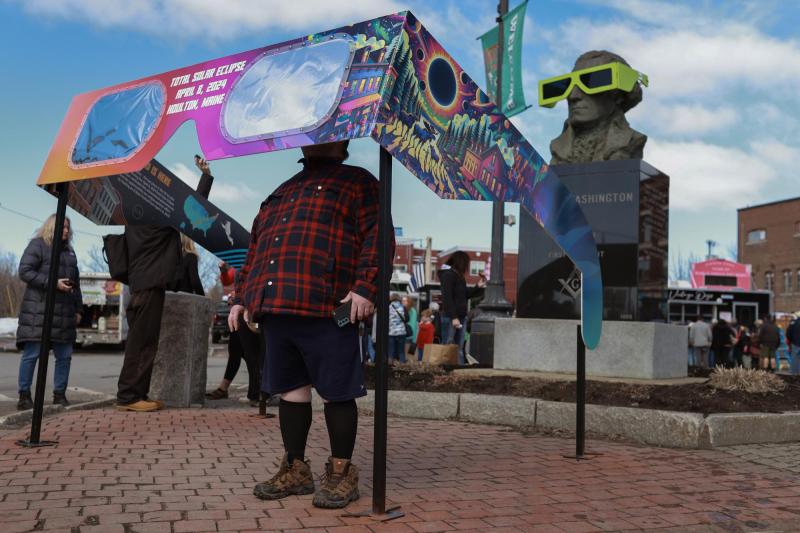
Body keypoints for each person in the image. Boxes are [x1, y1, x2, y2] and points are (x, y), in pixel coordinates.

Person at [229, 140, 386, 509]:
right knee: (291, 391)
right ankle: (295, 469)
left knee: (336, 391)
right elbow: (256, 250)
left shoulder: (359, 182)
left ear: (343, 140)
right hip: (276, 305)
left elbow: (379, 237)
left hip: (329, 304)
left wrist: (366, 287)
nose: (317, 139)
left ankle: (341, 472)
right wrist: (240, 297)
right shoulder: (281, 191)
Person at [117, 155, 213, 412]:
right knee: (143, 343)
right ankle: (128, 396)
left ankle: (138, 393)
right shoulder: (157, 217)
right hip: (150, 285)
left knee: (142, 341)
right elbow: (193, 209)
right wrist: (206, 177)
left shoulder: (134, 215)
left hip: (140, 284)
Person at [16, 215, 82, 410]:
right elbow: (24, 271)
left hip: (64, 312)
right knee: (32, 355)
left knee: (65, 356)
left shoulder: (70, 252)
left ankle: (59, 395)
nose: (67, 231)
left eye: (68, 228)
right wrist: (53, 283)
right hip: (39, 311)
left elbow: (76, 284)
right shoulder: (37, 245)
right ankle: (24, 396)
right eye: (63, 227)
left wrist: (79, 309)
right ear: (52, 227)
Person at [206, 262, 263, 405]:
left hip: (248, 310)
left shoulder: (254, 260)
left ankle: (257, 394)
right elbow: (227, 280)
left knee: (252, 354)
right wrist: (223, 270)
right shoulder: (239, 263)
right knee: (235, 350)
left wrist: (241, 300)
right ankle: (224, 388)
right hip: (238, 311)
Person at [438, 251, 485, 364]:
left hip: (461, 316)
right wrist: (454, 317)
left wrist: (478, 286)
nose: (467, 266)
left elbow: (465, 295)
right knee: (448, 347)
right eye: (466, 263)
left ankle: (458, 370)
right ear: (461, 262)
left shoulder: (459, 276)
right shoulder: (448, 275)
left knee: (459, 347)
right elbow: (447, 298)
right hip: (451, 317)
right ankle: (446, 370)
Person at [388, 294, 408, 364]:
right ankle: (402, 365)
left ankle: (389, 365)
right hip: (401, 332)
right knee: (401, 351)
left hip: (391, 332)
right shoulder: (403, 307)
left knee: (391, 350)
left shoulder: (388, 307)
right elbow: (407, 319)